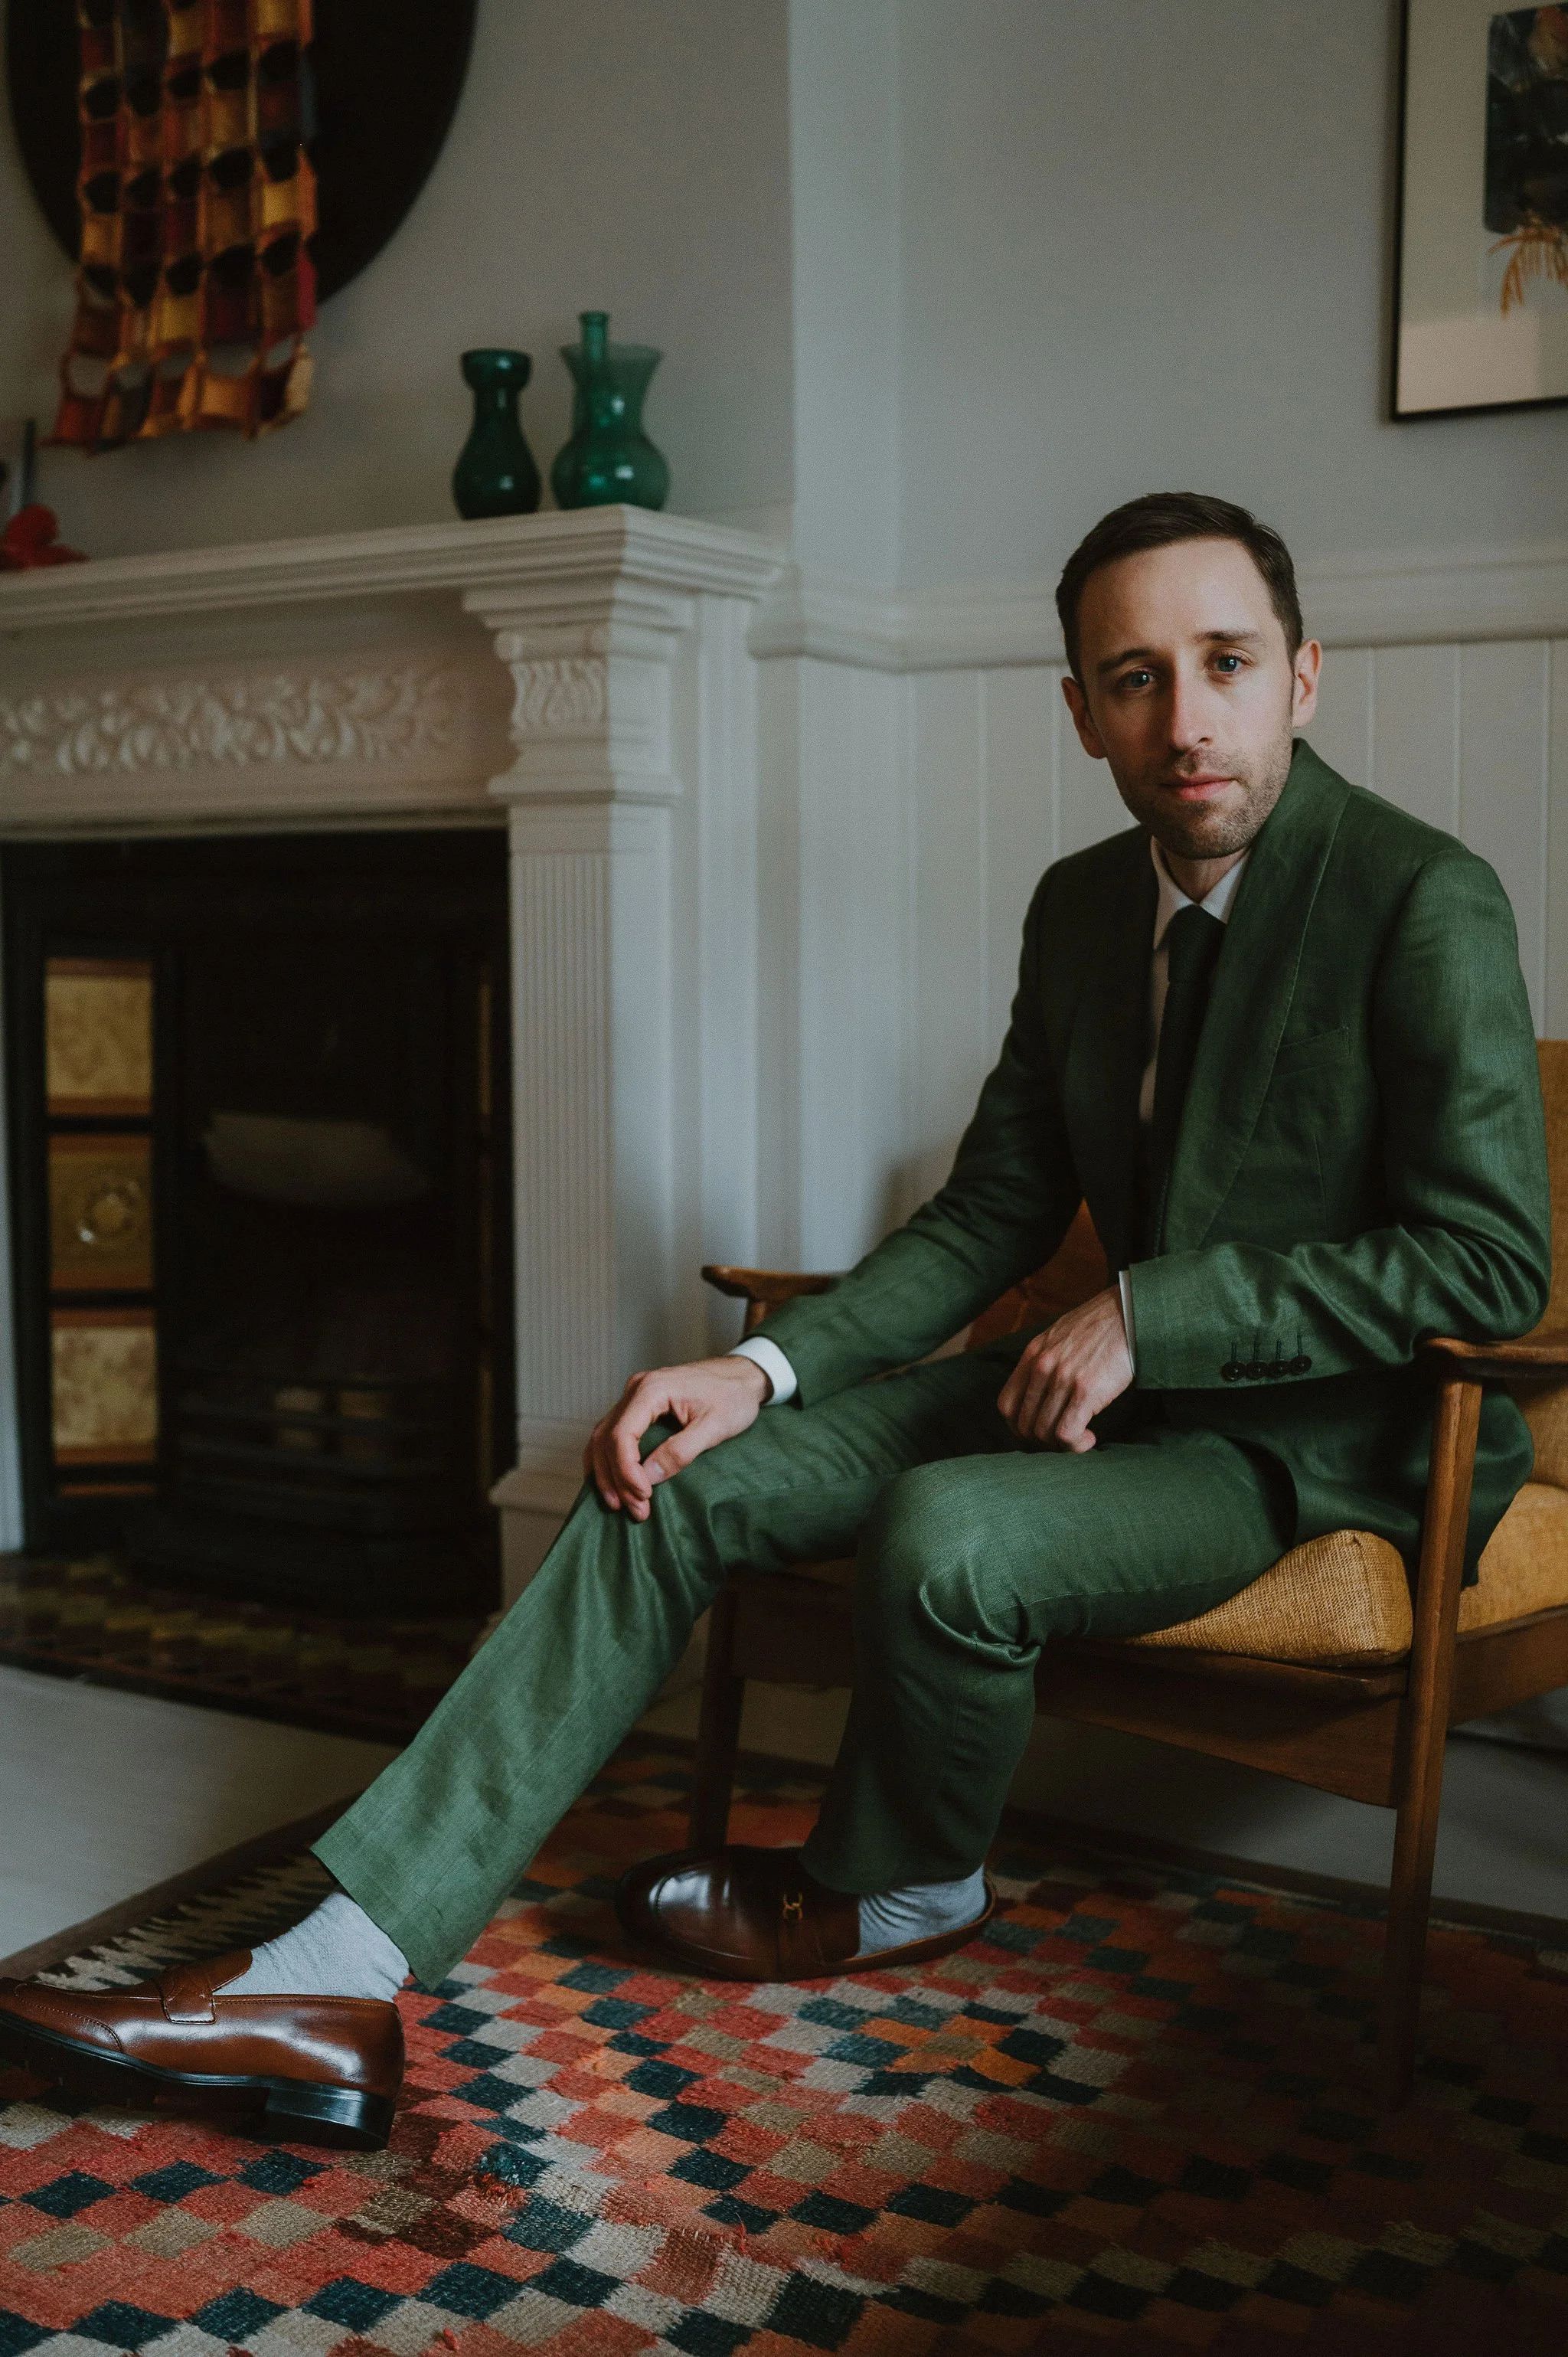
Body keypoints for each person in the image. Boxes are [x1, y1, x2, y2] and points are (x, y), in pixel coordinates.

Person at [1, 493, 1550, 2153]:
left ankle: (907, 1884)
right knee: (667, 1477)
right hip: (1092, 1390)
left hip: (1303, 1442)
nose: (1185, 720)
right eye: (1134, 677)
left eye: (1225, 663)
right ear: (1081, 711)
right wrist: (756, 1367)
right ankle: (338, 1971)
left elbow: (1487, 1260)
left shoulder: (1421, 899)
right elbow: (991, 1211)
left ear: (1302, 676)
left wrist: (1149, 1316)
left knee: (950, 1531)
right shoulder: (1079, 910)